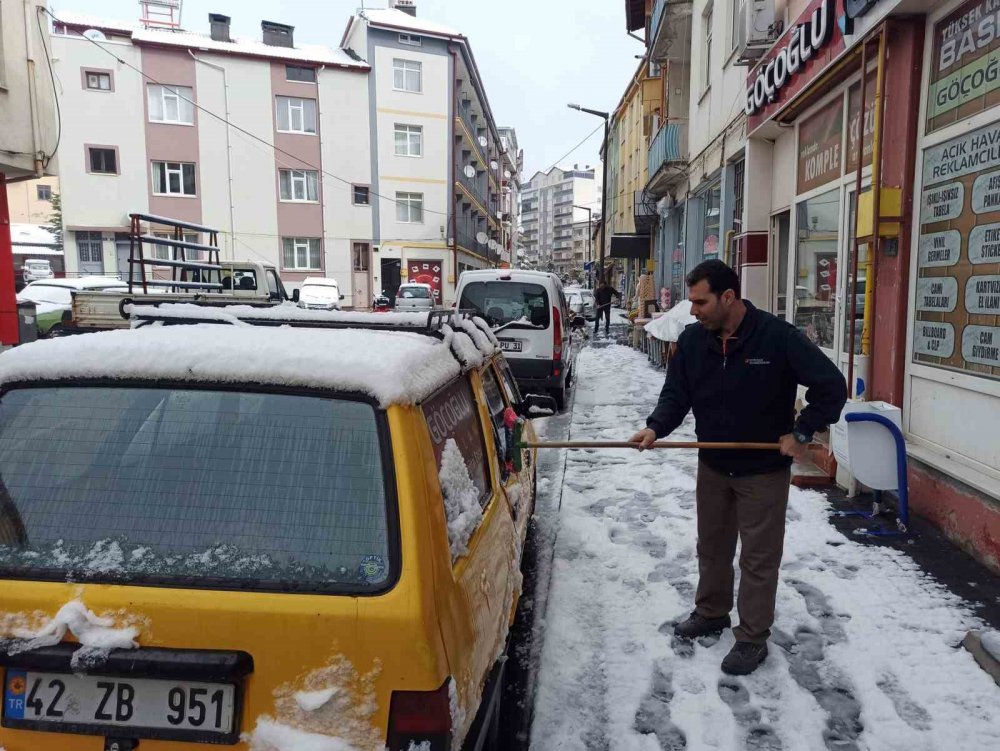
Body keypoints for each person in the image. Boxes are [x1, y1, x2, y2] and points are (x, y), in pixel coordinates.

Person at [629, 260, 846, 676]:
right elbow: (677, 394)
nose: (692, 311)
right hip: (713, 464)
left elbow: (830, 387)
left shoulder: (777, 338)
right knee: (712, 546)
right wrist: (656, 427)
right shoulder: (693, 342)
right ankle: (711, 612)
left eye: (700, 302)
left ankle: (751, 637)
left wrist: (801, 432)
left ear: (728, 297)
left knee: (759, 558)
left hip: (762, 470)